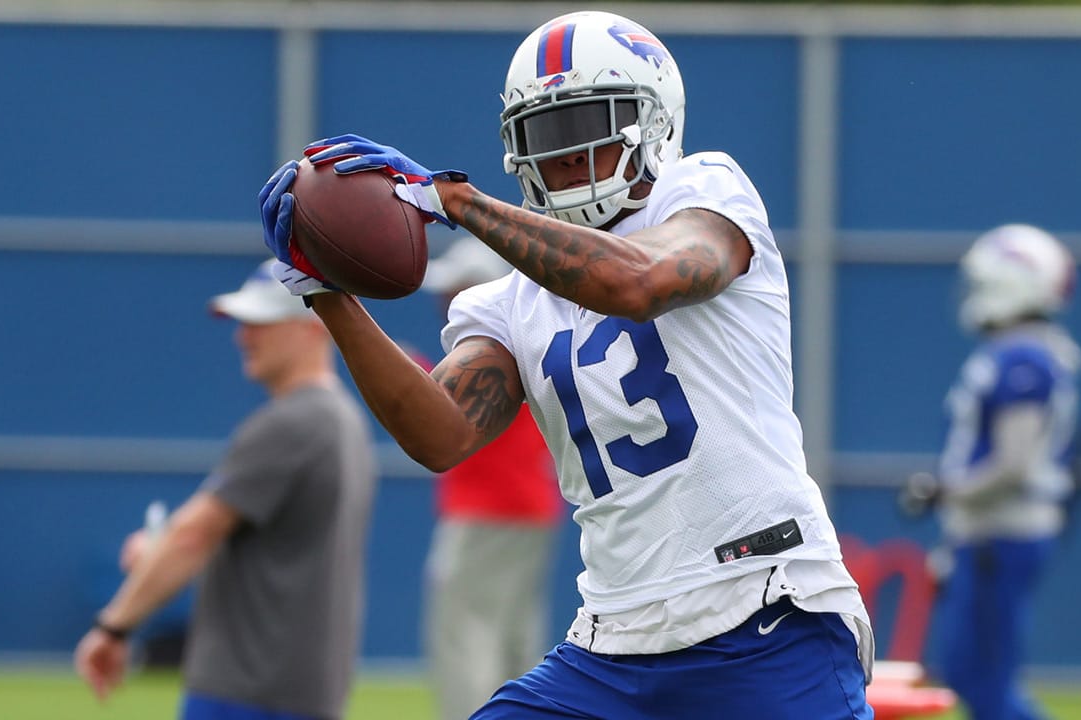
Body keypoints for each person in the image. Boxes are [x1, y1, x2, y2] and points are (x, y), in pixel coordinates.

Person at [259, 10, 874, 718]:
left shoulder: (705, 192)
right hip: (613, 644)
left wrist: (457, 203)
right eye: (547, 138)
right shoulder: (507, 301)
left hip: (765, 612)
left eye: (591, 128)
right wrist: (328, 292)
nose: (569, 157)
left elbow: (635, 285)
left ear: (653, 123)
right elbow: (439, 435)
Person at [74, 258, 378, 720]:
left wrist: (112, 628)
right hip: (300, 691)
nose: (244, 335)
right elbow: (274, 548)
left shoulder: (294, 422)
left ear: (313, 326)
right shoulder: (342, 421)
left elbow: (194, 534)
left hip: (248, 692)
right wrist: (163, 554)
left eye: (262, 321)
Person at [901, 224, 1081, 720]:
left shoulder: (1022, 357)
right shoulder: (1026, 350)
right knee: (972, 677)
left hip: (1000, 535)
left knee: (984, 682)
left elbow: (1013, 465)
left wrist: (945, 492)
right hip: (992, 536)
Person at [417, 237, 565, 720]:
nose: (447, 305)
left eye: (457, 293)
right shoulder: (532, 338)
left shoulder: (493, 349)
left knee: (465, 637)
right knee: (514, 639)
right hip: (533, 507)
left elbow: (435, 406)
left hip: (486, 511)